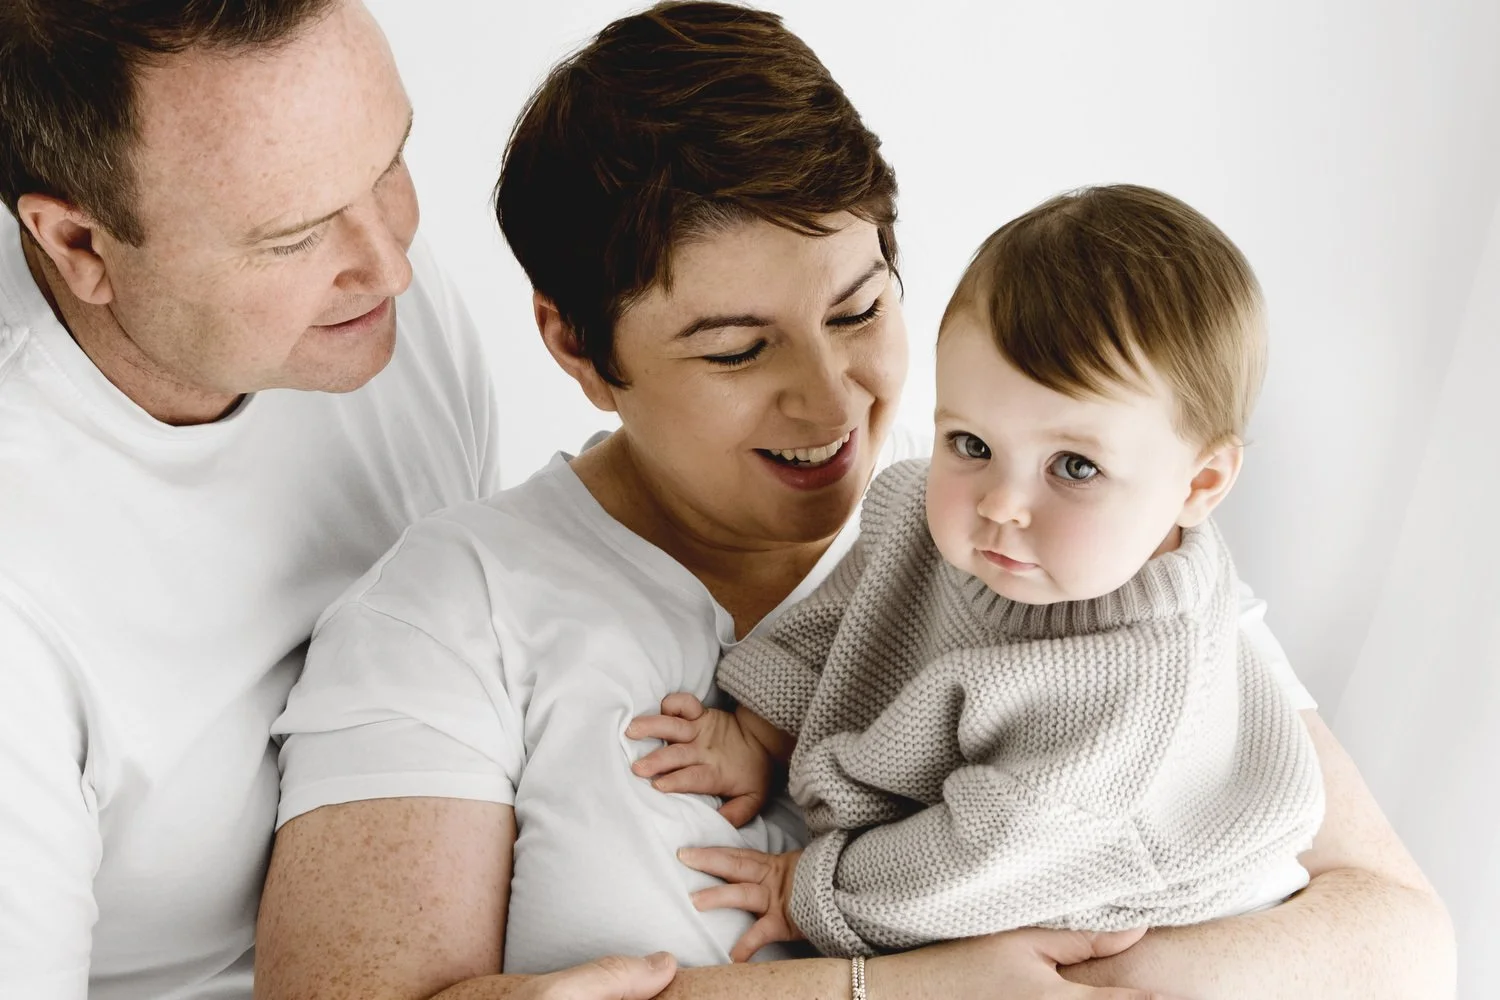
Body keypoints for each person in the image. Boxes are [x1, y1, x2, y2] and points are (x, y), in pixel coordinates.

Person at [257, 4, 1454, 999]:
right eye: (736, 350)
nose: (832, 400)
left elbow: (1403, 942)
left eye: (858, 310)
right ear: (574, 343)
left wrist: (1066, 974)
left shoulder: (1096, 563)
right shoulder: (455, 609)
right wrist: (895, 988)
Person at [0, 2, 675, 998]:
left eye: (389, 165)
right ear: (80, 246)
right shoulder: (22, 589)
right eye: (294, 236)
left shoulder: (362, 293)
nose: (394, 262)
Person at [627, 184, 1325, 962]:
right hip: (1019, 830)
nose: (1002, 503)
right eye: (972, 443)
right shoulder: (922, 515)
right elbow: (841, 621)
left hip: (1150, 873)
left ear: (1197, 486)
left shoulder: (1127, 691)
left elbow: (979, 859)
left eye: (1073, 466)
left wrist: (808, 889)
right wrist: (756, 729)